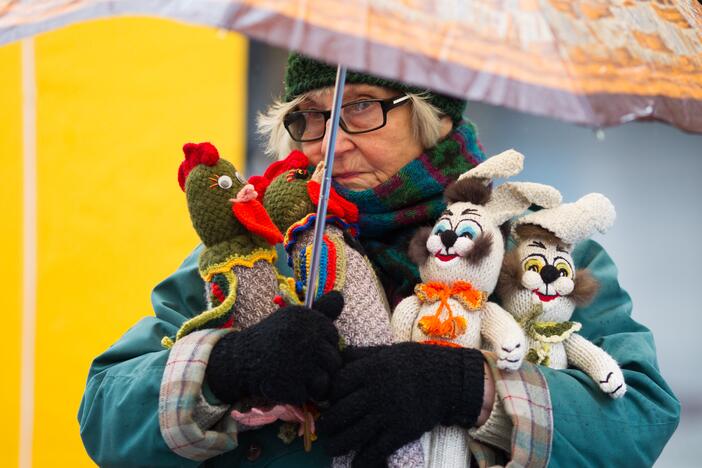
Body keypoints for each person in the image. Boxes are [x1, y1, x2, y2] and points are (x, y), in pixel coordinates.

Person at [78, 54, 680, 467]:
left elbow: (639, 418)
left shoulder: (532, 248)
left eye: (361, 106)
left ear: (432, 116)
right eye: (307, 116)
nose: (329, 142)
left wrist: (471, 389)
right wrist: (228, 366)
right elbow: (103, 412)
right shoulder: (252, 250)